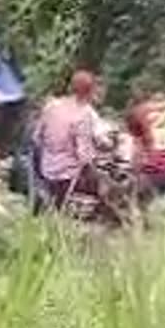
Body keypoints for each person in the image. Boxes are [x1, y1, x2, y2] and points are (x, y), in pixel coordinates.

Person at [33, 70, 110, 219]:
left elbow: (37, 137)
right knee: (106, 177)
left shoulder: (51, 107)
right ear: (91, 91)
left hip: (46, 169)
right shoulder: (83, 115)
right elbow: (84, 156)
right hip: (68, 176)